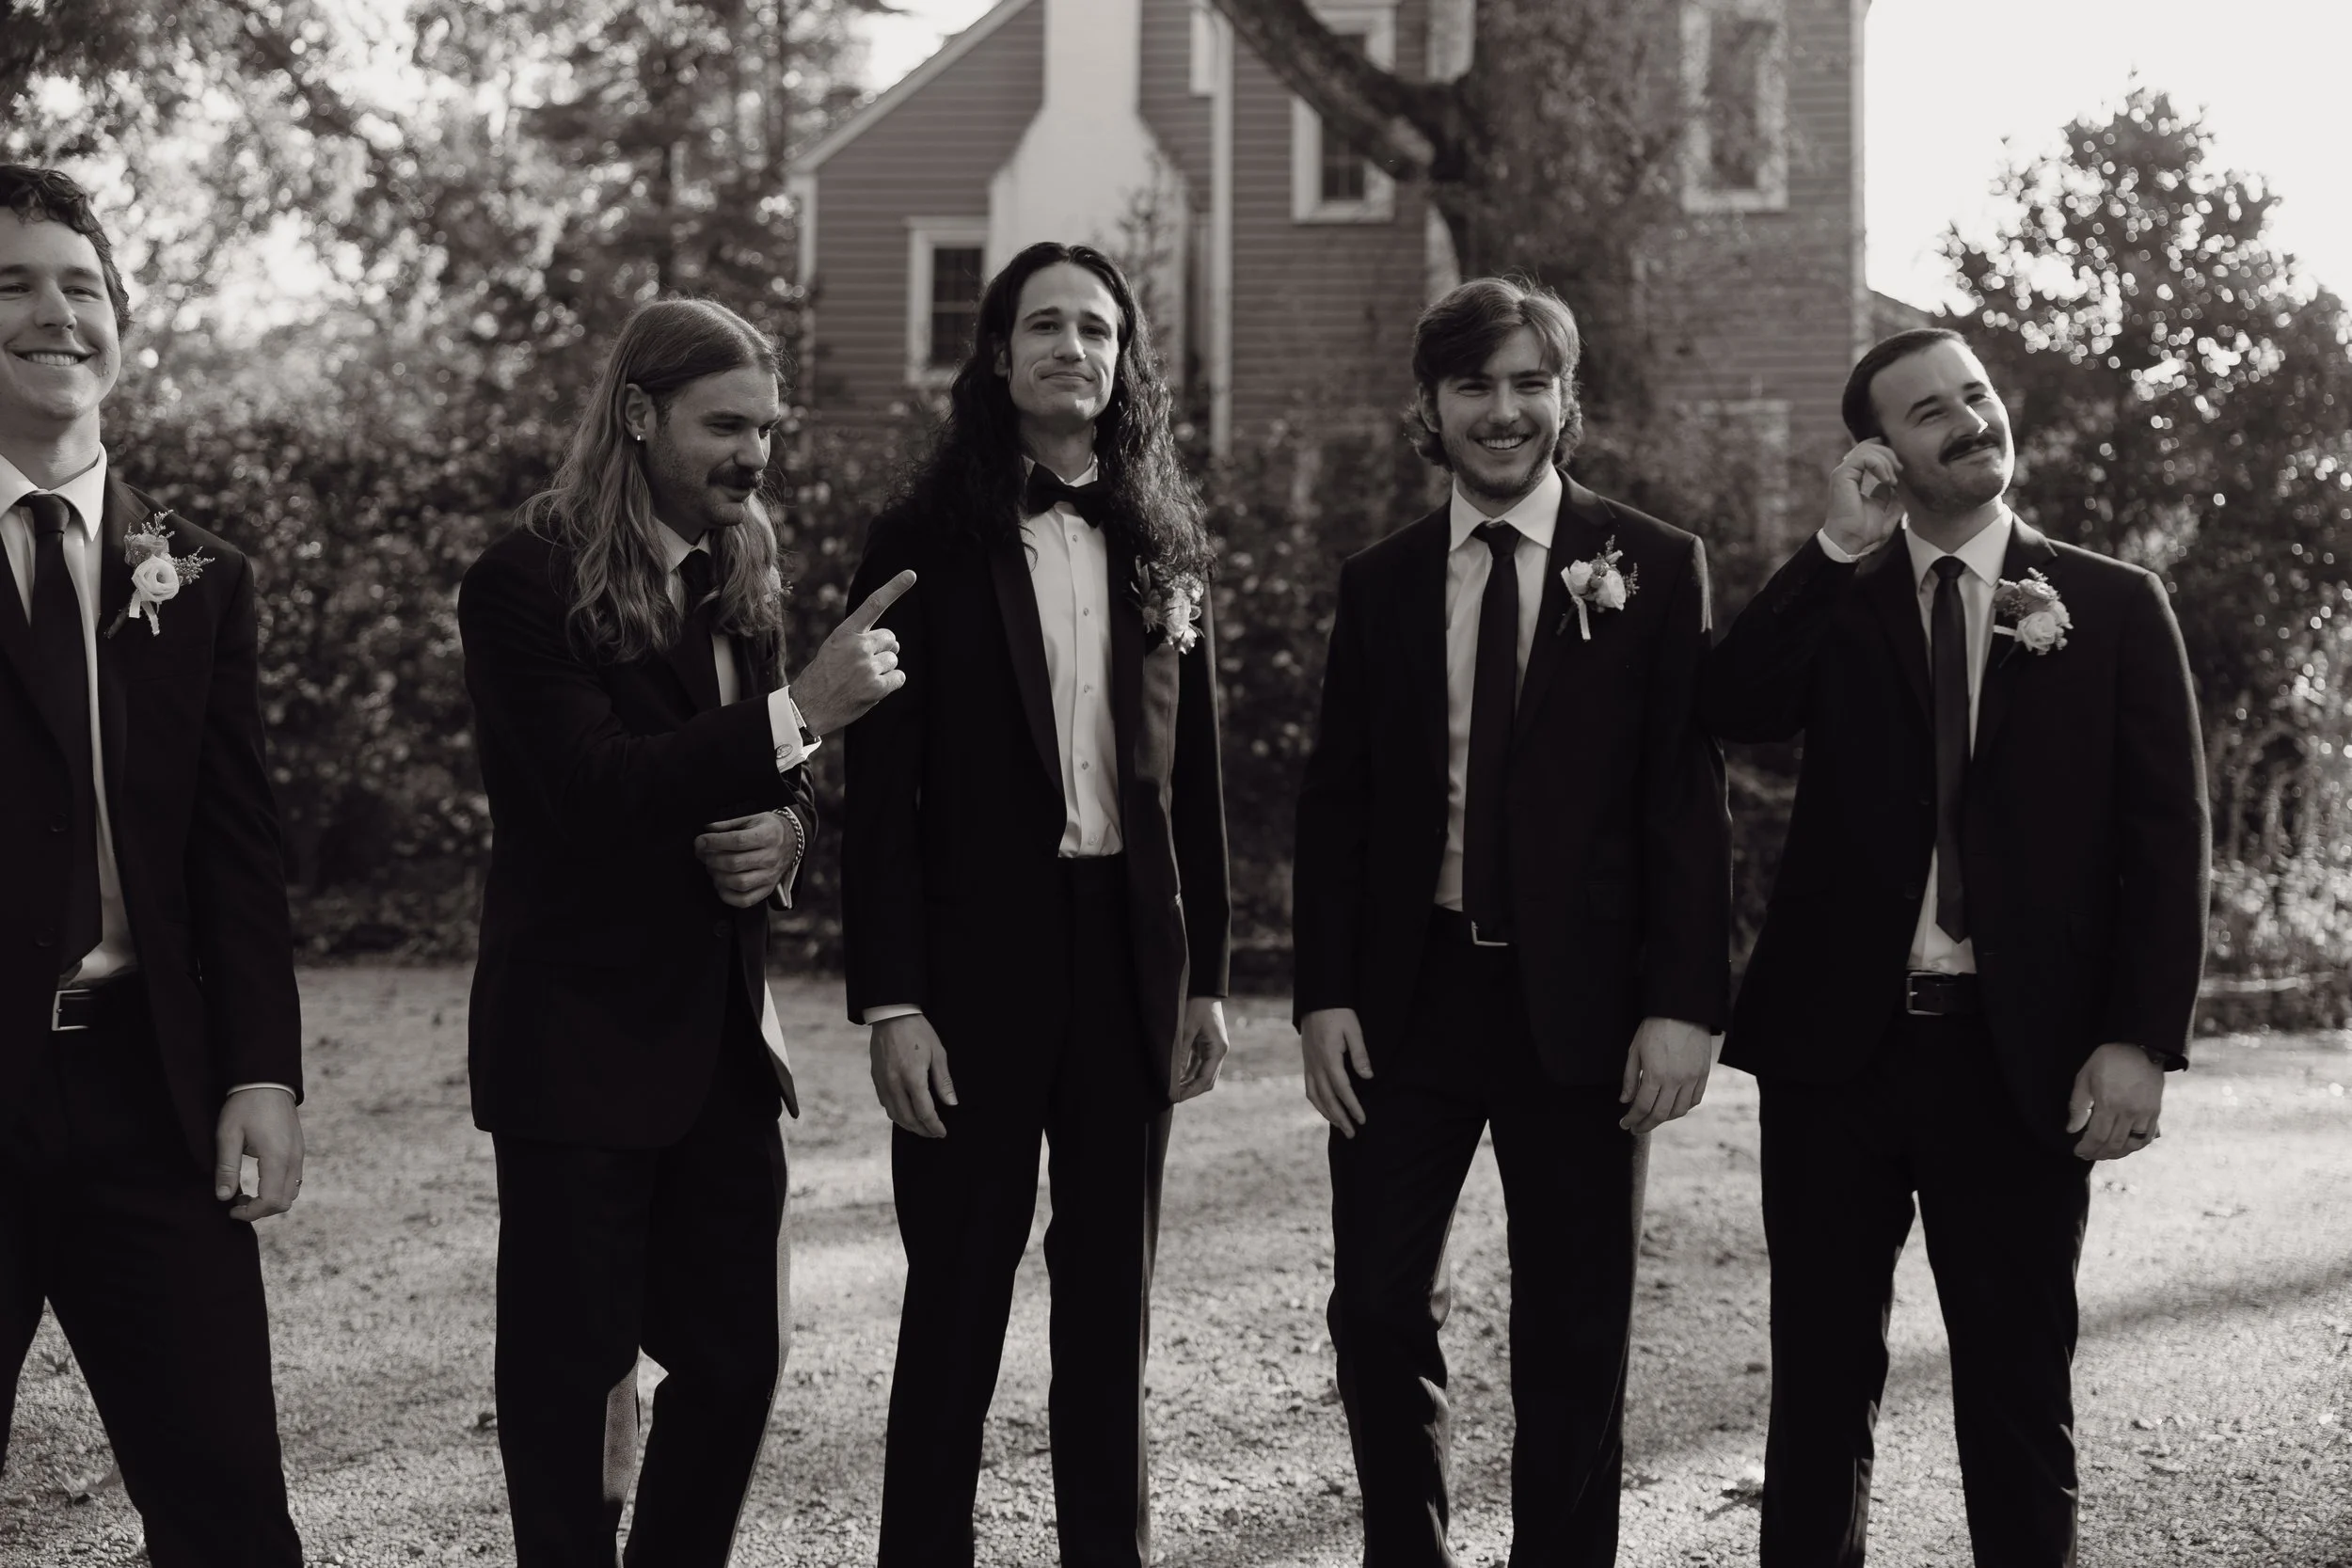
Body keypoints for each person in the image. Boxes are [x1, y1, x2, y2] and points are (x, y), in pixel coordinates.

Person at [1699, 327, 2210, 1567]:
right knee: (1820, 1389)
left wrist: (2139, 1038)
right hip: (1837, 1057)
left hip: (2017, 1059)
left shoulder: (2114, 603)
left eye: (1975, 395)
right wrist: (1831, 549)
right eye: (1929, 411)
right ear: (1880, 451)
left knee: (2018, 1394)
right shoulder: (1845, 597)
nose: (1969, 420)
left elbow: (2167, 835)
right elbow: (1724, 707)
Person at [457, 296, 911, 1567]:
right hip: (578, 1050)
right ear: (638, 413)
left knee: (737, 1364)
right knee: (572, 1387)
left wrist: (787, 844)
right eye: (726, 424)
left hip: (718, 1048)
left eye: (766, 426)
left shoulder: (736, 567)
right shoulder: (520, 582)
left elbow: (767, 790)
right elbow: (590, 792)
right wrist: (803, 714)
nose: (754, 453)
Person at [1291, 276, 1731, 1567]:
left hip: (1586, 1006)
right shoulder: (1378, 583)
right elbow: (1338, 799)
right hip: (1407, 995)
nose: (1505, 410)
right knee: (1373, 1304)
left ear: (1566, 398)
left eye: (1530, 382)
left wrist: (1683, 1001)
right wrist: (1323, 993)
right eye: (1476, 384)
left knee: (1578, 1325)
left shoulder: (1651, 566)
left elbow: (1682, 807)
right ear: (1429, 405)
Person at [840, 241, 1232, 1568]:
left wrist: (1209, 979)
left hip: (1123, 966)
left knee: (1109, 1312)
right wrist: (892, 1000)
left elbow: (1199, 786)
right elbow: (879, 792)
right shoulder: (919, 541)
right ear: (997, 355)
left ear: (1126, 363)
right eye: (1047, 326)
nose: (1076, 348)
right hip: (969, 975)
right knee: (955, 1299)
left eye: (1101, 330)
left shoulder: (1161, 539)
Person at [0, 164, 307, 1565]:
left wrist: (261, 1071)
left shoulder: (200, 579)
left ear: (123, 321)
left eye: (79, 284)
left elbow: (237, 852)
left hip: (149, 1095)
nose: (52, 312)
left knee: (230, 1507)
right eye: (9, 284)